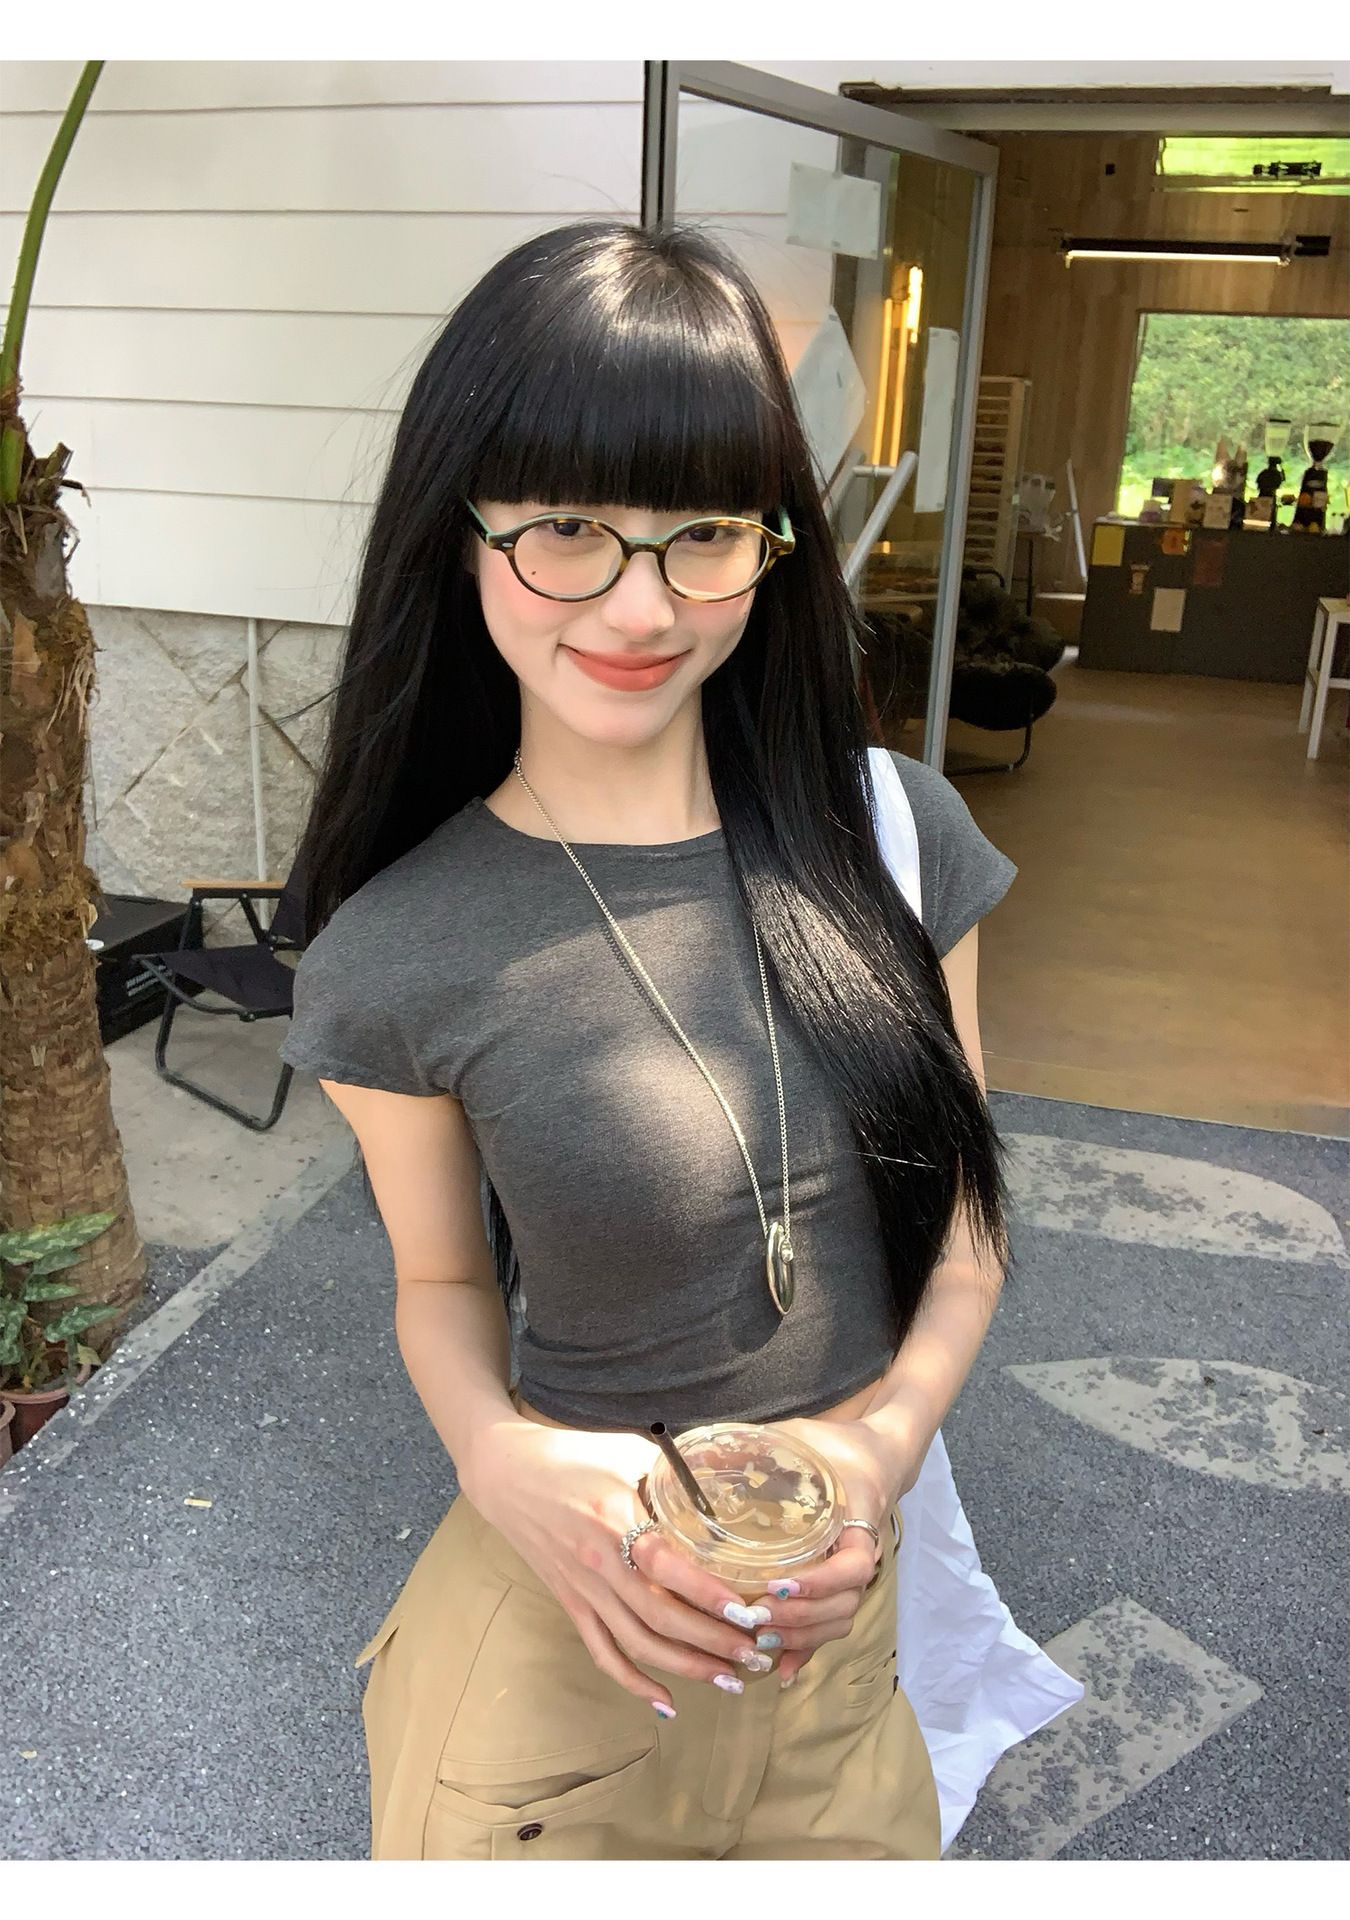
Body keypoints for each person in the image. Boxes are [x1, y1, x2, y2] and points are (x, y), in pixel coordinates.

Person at [280, 219, 1049, 1861]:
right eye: (567, 528)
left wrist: (875, 1447)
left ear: (772, 548)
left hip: (840, 1656)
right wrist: (500, 1460)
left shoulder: (895, 842)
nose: (640, 605)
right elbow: (441, 1281)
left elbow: (966, 1224)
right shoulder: (394, 952)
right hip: (561, 1666)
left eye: (703, 533)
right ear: (459, 534)